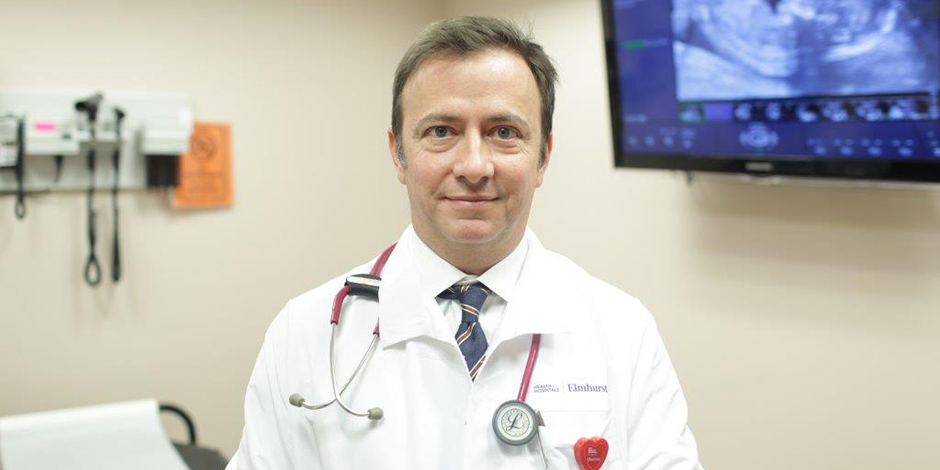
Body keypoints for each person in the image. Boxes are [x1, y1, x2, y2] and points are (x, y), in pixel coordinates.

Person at [226, 16, 704, 470]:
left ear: (543, 156)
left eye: (503, 132)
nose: (474, 166)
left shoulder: (622, 330)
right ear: (398, 154)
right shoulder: (304, 332)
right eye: (441, 132)